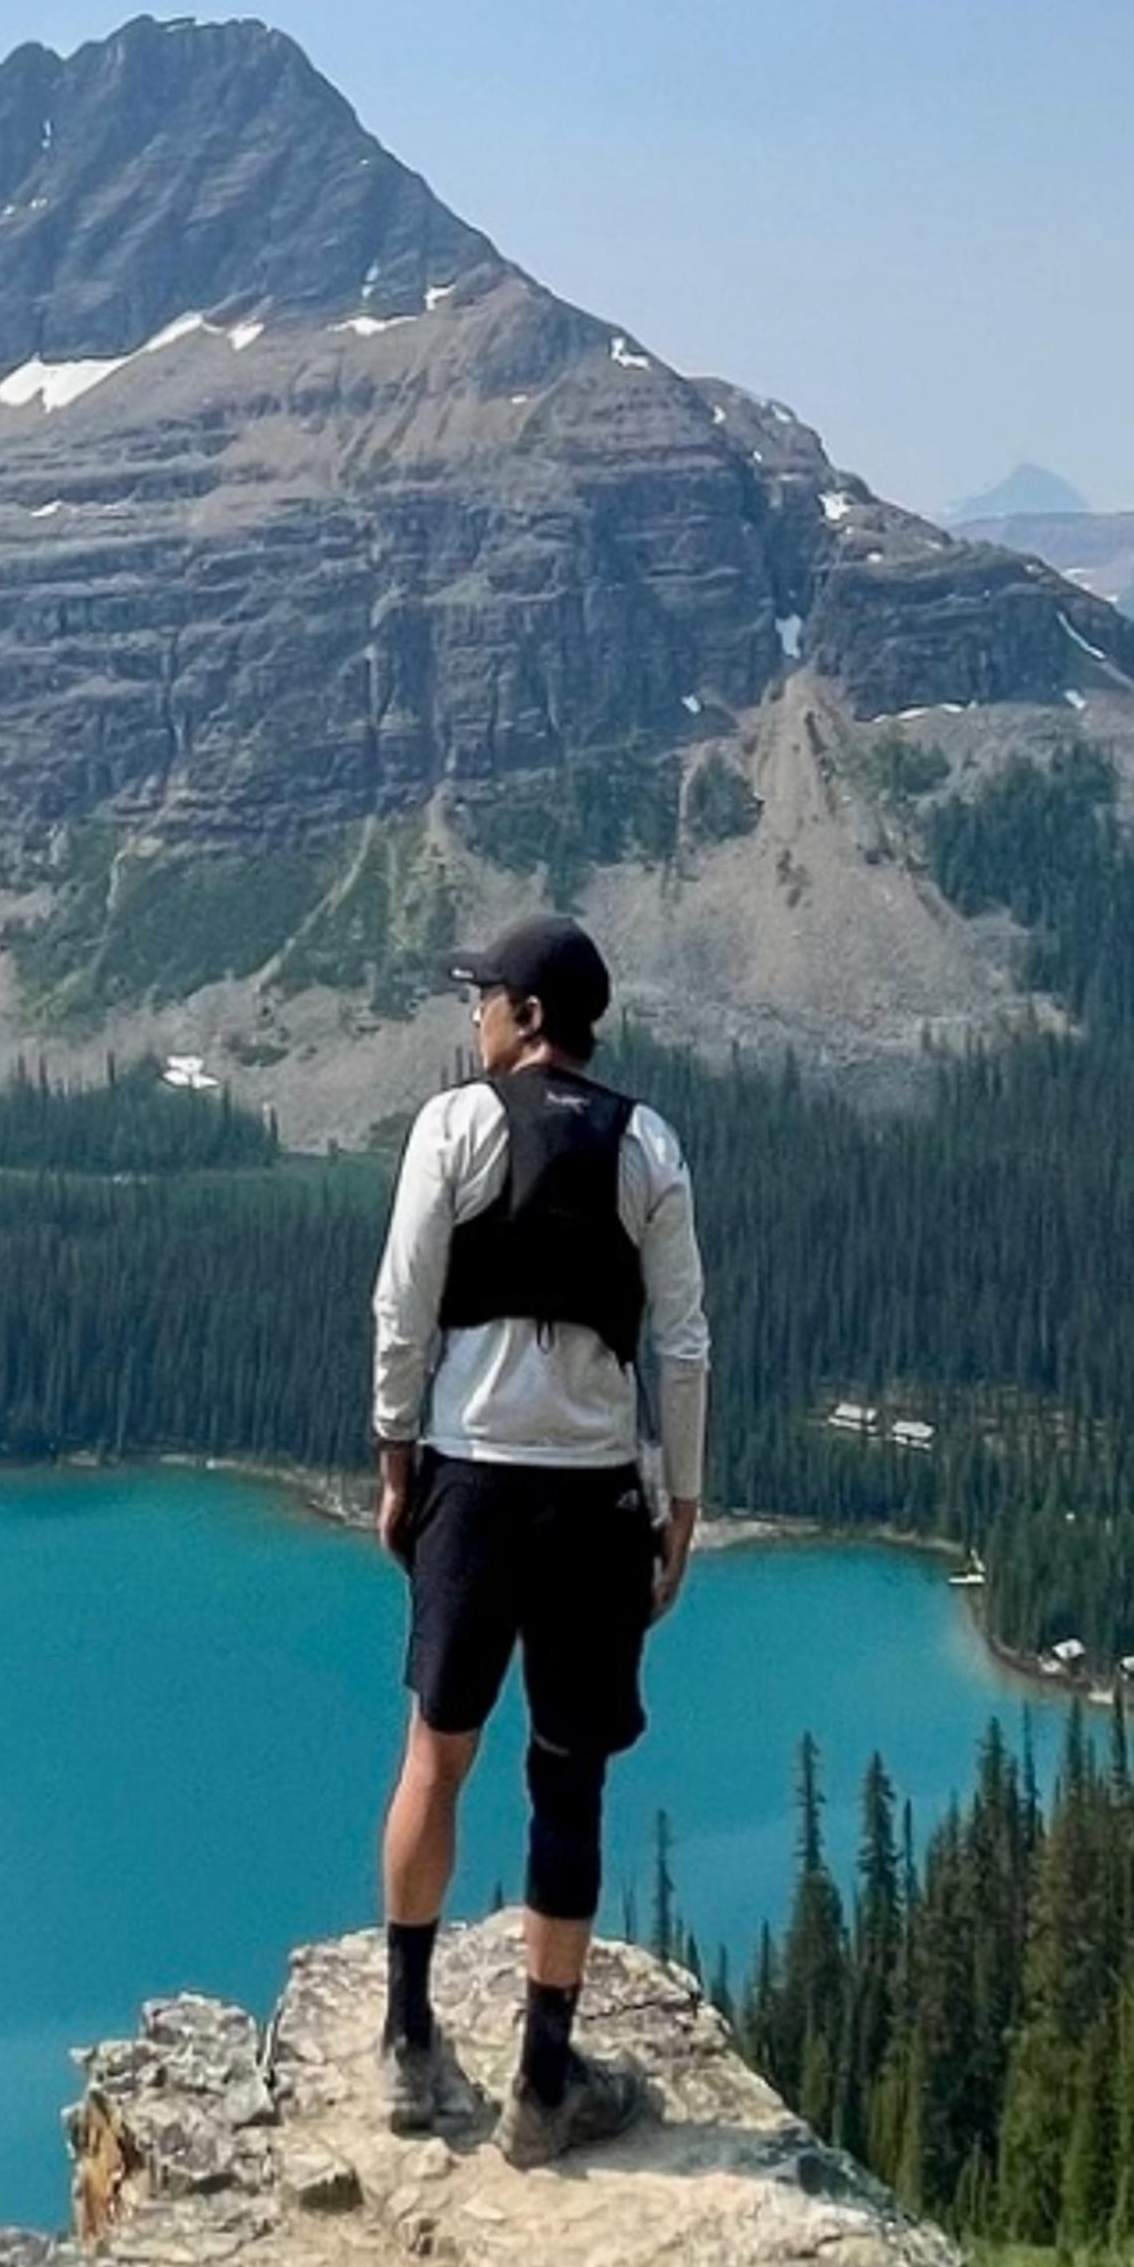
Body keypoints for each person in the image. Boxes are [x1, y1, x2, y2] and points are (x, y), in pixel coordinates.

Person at [370, 913, 708, 2163]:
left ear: (523, 1018)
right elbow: (681, 1340)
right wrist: (681, 1502)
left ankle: (408, 2044)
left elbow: (403, 1307)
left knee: (434, 1753)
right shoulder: (648, 1144)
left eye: (484, 1001)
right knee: (567, 1779)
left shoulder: (451, 1126)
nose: (475, 1019)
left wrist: (396, 1460)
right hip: (592, 1493)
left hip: (473, 1483)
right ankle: (543, 2080)